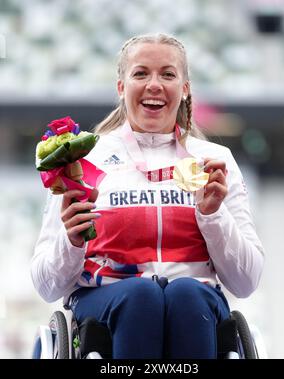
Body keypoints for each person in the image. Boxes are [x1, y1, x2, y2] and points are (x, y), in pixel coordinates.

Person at [31, 33, 264, 359]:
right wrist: (70, 241)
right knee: (140, 295)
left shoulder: (215, 161)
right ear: (121, 86)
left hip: (195, 303)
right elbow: (46, 286)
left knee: (186, 294)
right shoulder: (83, 159)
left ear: (184, 88)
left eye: (167, 74)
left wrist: (213, 215)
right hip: (107, 302)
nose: (154, 84)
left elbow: (246, 282)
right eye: (141, 73)